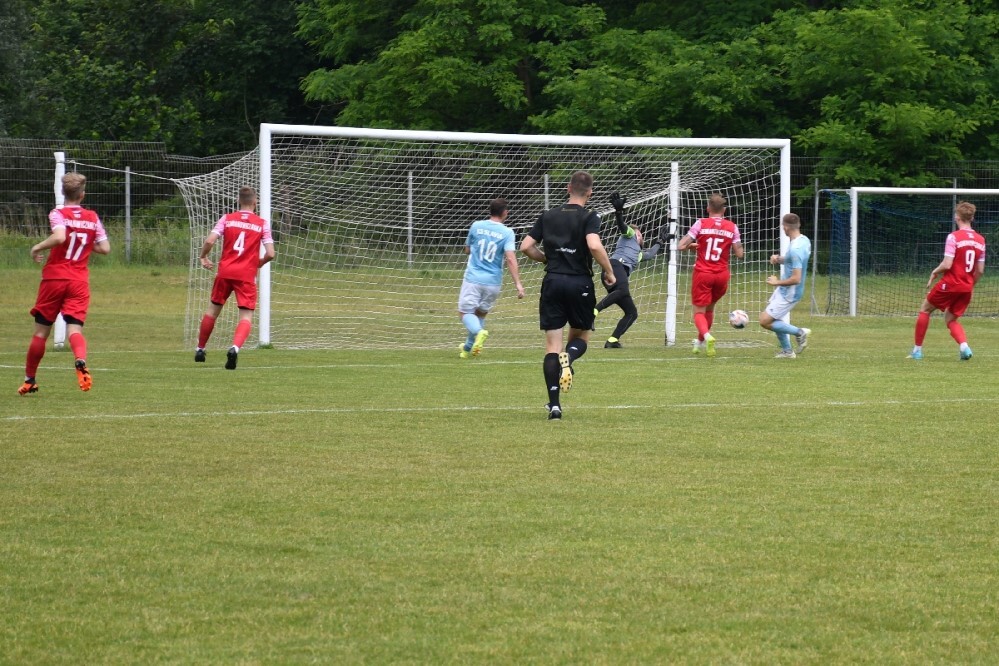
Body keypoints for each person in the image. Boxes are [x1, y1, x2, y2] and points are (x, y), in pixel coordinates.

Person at [520, 170, 616, 420]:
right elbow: (594, 245)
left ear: (567, 188)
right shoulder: (590, 216)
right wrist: (609, 270)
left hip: (552, 282)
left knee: (552, 346)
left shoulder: (548, 215)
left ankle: (554, 406)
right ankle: (570, 357)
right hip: (579, 283)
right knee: (580, 337)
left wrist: (546, 259)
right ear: (590, 193)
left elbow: (526, 246)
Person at [18, 173, 111, 395]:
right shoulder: (92, 216)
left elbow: (60, 237)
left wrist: (37, 247)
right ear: (83, 194)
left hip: (54, 278)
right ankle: (80, 359)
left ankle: (30, 379)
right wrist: (87, 244)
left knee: (41, 332)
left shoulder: (58, 213)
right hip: (78, 281)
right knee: (75, 328)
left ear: (63, 193)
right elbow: (105, 248)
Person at [195, 186, 275, 369]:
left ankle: (200, 348)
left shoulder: (227, 219)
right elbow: (271, 253)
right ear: (255, 202)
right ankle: (234, 348)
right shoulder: (262, 223)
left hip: (225, 272)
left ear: (239, 201)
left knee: (212, 311)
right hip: (246, 275)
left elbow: (209, 240)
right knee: (245, 317)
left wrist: (203, 256)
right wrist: (259, 263)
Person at [909, 201, 985, 360]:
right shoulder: (980, 240)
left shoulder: (953, 237)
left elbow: (947, 264)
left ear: (957, 217)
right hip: (966, 286)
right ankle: (964, 347)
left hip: (950, 283)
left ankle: (917, 351)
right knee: (951, 319)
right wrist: (970, 284)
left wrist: (935, 271)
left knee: (925, 309)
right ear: (971, 218)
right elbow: (980, 270)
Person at [677, 193, 744, 357]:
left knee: (698, 311)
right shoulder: (732, 227)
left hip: (703, 273)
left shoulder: (701, 223)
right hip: (721, 275)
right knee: (710, 309)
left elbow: (681, 246)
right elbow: (739, 253)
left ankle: (706, 336)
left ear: (708, 208)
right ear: (724, 210)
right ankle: (699, 343)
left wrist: (694, 245)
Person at [458, 198, 525, 358]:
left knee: (464, 313)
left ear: (490, 211)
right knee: (480, 314)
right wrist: (518, 284)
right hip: (493, 282)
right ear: (505, 213)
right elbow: (510, 258)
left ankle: (479, 332)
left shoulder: (476, 226)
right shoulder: (508, 233)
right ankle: (468, 348)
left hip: (473, 279)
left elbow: (467, 249)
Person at [595, 201, 665, 348]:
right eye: (640, 233)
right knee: (623, 290)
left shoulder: (638, 254)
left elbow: (650, 254)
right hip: (614, 266)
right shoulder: (630, 234)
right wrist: (619, 212)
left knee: (632, 313)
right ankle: (593, 312)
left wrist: (660, 241)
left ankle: (612, 341)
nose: (641, 236)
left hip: (618, 278)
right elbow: (621, 225)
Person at [759, 213, 812, 358]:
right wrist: (779, 259)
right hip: (784, 290)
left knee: (764, 320)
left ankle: (799, 332)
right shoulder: (804, 240)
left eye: (783, 226)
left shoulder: (795, 250)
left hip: (790, 292)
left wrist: (776, 282)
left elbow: (796, 278)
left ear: (786, 227)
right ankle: (787, 351)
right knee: (774, 319)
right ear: (798, 225)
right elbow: (792, 261)